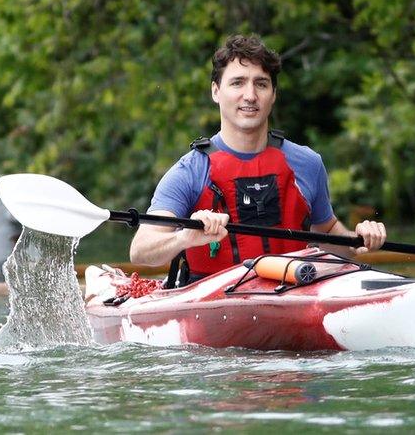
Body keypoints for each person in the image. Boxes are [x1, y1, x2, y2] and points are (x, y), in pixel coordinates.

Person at [129, 34, 387, 286]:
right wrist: (184, 238)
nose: (250, 95)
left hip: (291, 297)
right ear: (216, 91)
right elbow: (141, 250)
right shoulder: (189, 171)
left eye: (261, 84)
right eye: (238, 83)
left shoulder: (307, 163)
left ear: (273, 94)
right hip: (215, 311)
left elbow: (328, 235)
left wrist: (359, 240)